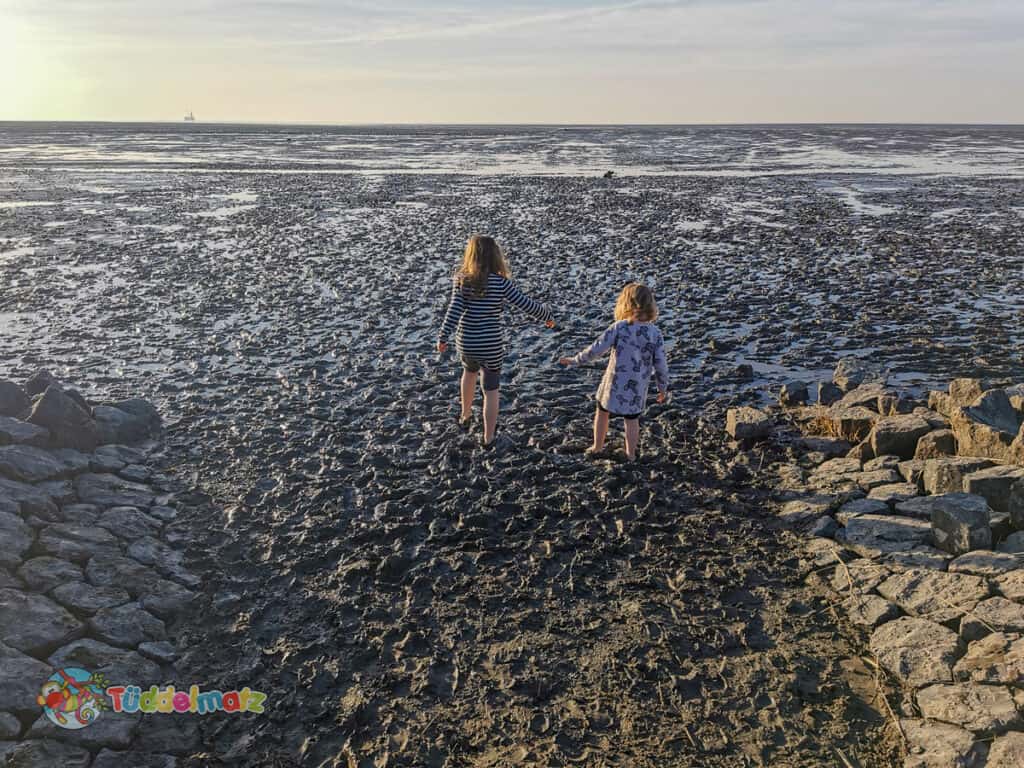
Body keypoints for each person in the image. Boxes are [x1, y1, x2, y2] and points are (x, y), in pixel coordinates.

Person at [438, 234, 554, 446]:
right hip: (491, 345)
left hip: (467, 342)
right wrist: (547, 316)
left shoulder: (462, 280)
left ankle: (465, 416)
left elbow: (453, 310)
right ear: (495, 257)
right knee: (491, 390)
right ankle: (488, 437)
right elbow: (525, 303)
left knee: (469, 373)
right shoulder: (501, 283)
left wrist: (443, 336)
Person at [559, 283, 668, 461]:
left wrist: (576, 360)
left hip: (614, 385)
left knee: (602, 412)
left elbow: (596, 349)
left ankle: (597, 447)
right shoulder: (655, 333)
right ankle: (630, 454)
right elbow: (661, 364)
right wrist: (663, 387)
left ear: (625, 304)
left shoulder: (620, 327)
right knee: (632, 420)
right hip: (636, 388)